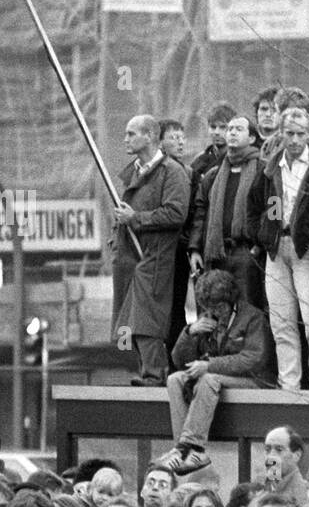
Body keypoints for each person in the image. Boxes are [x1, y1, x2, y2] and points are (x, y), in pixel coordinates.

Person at [246, 107, 309, 391]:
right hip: (276, 248)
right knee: (281, 322)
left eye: (301, 134)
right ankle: (289, 383)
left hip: (307, 249)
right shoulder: (270, 166)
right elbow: (254, 206)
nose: (295, 139)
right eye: (289, 133)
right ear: (281, 133)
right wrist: (263, 233)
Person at [157, 270, 271, 476]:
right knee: (175, 380)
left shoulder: (252, 317)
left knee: (208, 378)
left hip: (253, 382)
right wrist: (190, 332)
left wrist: (210, 365)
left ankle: (196, 448)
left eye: (219, 307)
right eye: (211, 308)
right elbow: (178, 360)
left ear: (231, 300)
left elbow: (254, 359)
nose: (216, 313)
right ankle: (181, 451)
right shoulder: (207, 318)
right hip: (218, 381)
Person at [112, 113, 192, 386]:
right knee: (128, 320)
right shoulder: (135, 171)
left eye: (131, 133)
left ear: (149, 136)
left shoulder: (173, 172)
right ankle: (147, 370)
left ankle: (155, 374)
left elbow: (176, 213)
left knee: (147, 319)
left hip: (156, 255)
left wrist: (136, 218)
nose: (126, 139)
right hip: (130, 256)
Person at [189, 115, 267, 313]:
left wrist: (261, 244)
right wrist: (195, 249)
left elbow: (274, 209)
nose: (231, 132)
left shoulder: (263, 171)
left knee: (248, 311)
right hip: (217, 253)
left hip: (248, 253)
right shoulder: (214, 175)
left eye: (239, 129)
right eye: (230, 128)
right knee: (217, 310)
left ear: (251, 138)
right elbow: (200, 213)